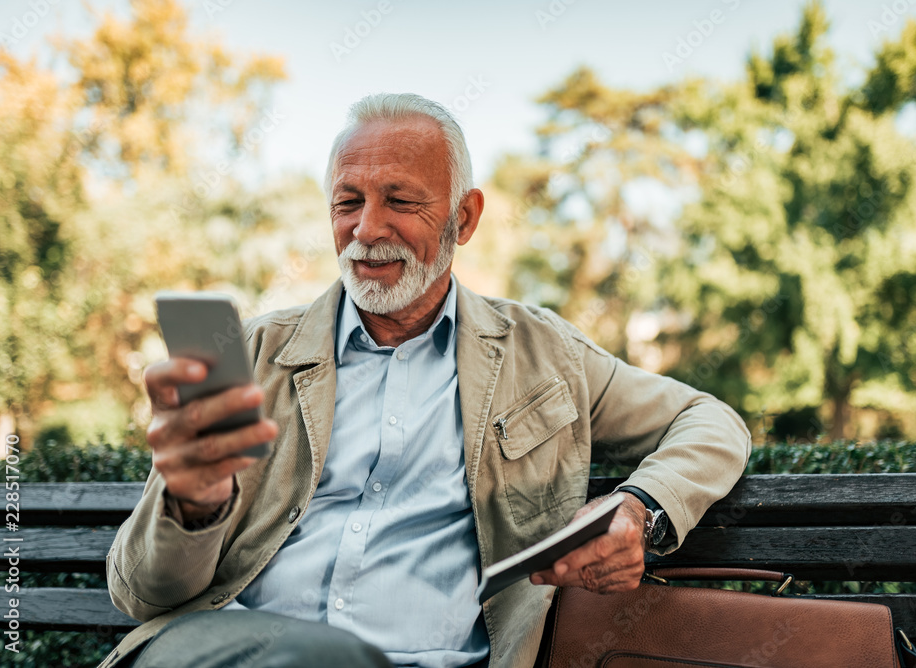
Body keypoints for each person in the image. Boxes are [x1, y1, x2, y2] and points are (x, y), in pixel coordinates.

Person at [101, 93, 751, 668]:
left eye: (401, 201)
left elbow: (710, 421)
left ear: (464, 219)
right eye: (347, 202)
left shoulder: (544, 356)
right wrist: (194, 508)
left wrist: (641, 511)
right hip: (230, 648)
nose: (366, 229)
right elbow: (142, 596)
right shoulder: (249, 356)